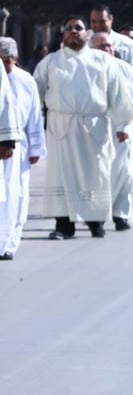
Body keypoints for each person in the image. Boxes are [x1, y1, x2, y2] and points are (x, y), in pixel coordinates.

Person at [34, 15, 133, 239]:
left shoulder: (103, 61)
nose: (74, 32)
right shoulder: (50, 62)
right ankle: (63, 226)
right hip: (61, 128)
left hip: (94, 128)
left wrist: (123, 125)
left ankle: (95, 222)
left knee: (95, 175)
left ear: (86, 33)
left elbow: (119, 94)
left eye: (78, 28)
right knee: (61, 176)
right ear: (63, 34)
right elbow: (35, 94)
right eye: (69, 28)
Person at [91, 32, 133, 231]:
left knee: (124, 171)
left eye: (108, 46)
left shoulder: (125, 69)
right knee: (101, 172)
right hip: (96, 126)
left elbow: (131, 98)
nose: (106, 50)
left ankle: (121, 213)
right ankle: (99, 213)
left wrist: (124, 126)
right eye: (101, 46)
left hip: (120, 126)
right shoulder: (87, 69)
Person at [0, 38, 45, 260]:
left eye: (5, 61)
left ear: (15, 59)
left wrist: (36, 147)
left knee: (15, 193)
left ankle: (11, 240)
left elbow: (35, 116)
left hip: (18, 147)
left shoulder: (26, 81)